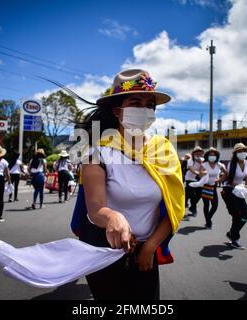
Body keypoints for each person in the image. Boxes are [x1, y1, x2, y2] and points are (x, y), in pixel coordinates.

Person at [71, 69, 185, 300]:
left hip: (145, 251)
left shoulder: (164, 149)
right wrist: (113, 217)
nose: (144, 110)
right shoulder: (96, 153)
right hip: (104, 252)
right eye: (136, 102)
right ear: (117, 111)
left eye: (149, 104)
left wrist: (150, 246)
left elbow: (175, 206)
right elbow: (95, 208)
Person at [221, 143, 247, 249]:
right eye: (239, 151)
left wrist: (246, 186)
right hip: (229, 191)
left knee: (246, 214)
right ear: (235, 154)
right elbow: (229, 180)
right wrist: (240, 186)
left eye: (244, 151)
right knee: (237, 215)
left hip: (239, 191)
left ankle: (232, 234)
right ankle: (234, 239)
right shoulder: (232, 164)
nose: (242, 153)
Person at [199, 148, 227, 229]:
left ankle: (208, 219)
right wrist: (202, 173)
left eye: (214, 155)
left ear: (217, 156)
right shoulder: (204, 165)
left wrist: (220, 180)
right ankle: (208, 222)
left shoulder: (219, 164)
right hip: (205, 186)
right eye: (210, 155)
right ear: (207, 156)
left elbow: (226, 173)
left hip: (214, 187)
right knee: (206, 205)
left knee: (215, 205)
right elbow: (200, 175)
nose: (212, 156)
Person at [184, 146, 204, 217]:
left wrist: (201, 163)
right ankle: (193, 210)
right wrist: (199, 173)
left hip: (198, 180)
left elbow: (205, 169)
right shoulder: (190, 161)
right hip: (189, 179)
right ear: (193, 154)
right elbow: (192, 169)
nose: (198, 155)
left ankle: (192, 207)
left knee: (199, 195)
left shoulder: (203, 161)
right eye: (196, 153)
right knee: (192, 195)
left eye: (200, 153)